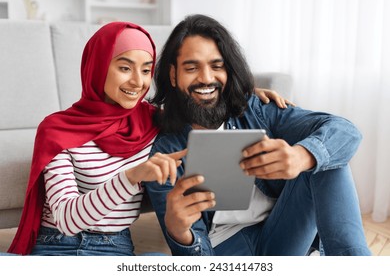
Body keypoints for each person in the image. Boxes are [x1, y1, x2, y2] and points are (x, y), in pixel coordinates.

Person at [6, 21, 287, 256]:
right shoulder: (57, 129)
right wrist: (131, 177)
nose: (137, 82)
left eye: (145, 70)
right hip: (57, 245)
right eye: (124, 67)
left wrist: (244, 94)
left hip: (114, 247)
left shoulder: (152, 120)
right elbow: (67, 220)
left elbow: (198, 103)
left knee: (159, 261)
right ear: (99, 66)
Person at [145, 14, 372, 256]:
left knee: (326, 157)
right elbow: (198, 259)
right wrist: (180, 233)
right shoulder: (164, 152)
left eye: (217, 66)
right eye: (191, 68)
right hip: (225, 251)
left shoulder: (258, 108)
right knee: (152, 260)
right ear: (173, 75)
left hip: (284, 234)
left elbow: (345, 131)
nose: (206, 78)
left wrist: (300, 156)